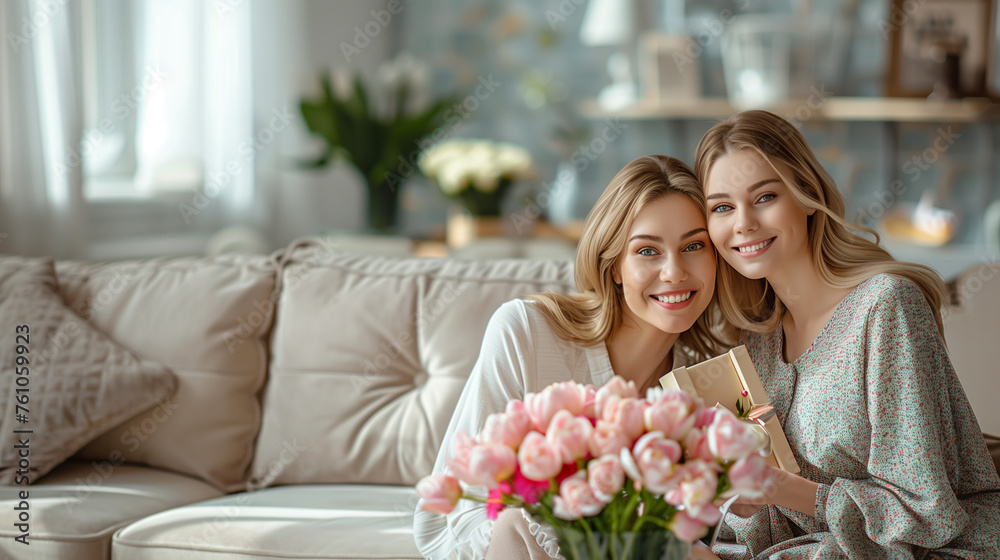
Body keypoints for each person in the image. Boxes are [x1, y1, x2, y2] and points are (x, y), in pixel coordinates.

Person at [693, 110, 1000, 559]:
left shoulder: (886, 307)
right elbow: (773, 525)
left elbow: (926, 514)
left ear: (805, 195)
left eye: (764, 197)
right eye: (722, 207)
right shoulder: (755, 339)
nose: (743, 223)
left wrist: (778, 487)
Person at [413, 155, 734, 559]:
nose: (674, 271)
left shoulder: (707, 384)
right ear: (614, 265)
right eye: (648, 251)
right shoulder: (525, 332)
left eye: (694, 246)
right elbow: (456, 514)